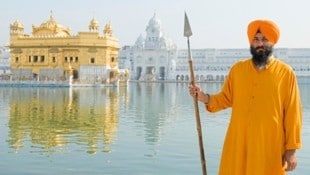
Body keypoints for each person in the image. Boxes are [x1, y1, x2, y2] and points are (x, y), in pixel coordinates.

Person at [189, 19, 302, 175]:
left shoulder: (285, 73)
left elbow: (293, 114)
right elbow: (225, 98)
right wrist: (204, 97)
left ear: (272, 42)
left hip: (268, 144)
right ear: (251, 42)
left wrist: (291, 150)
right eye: (256, 39)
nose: (260, 44)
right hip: (238, 142)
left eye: (264, 39)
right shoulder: (238, 70)